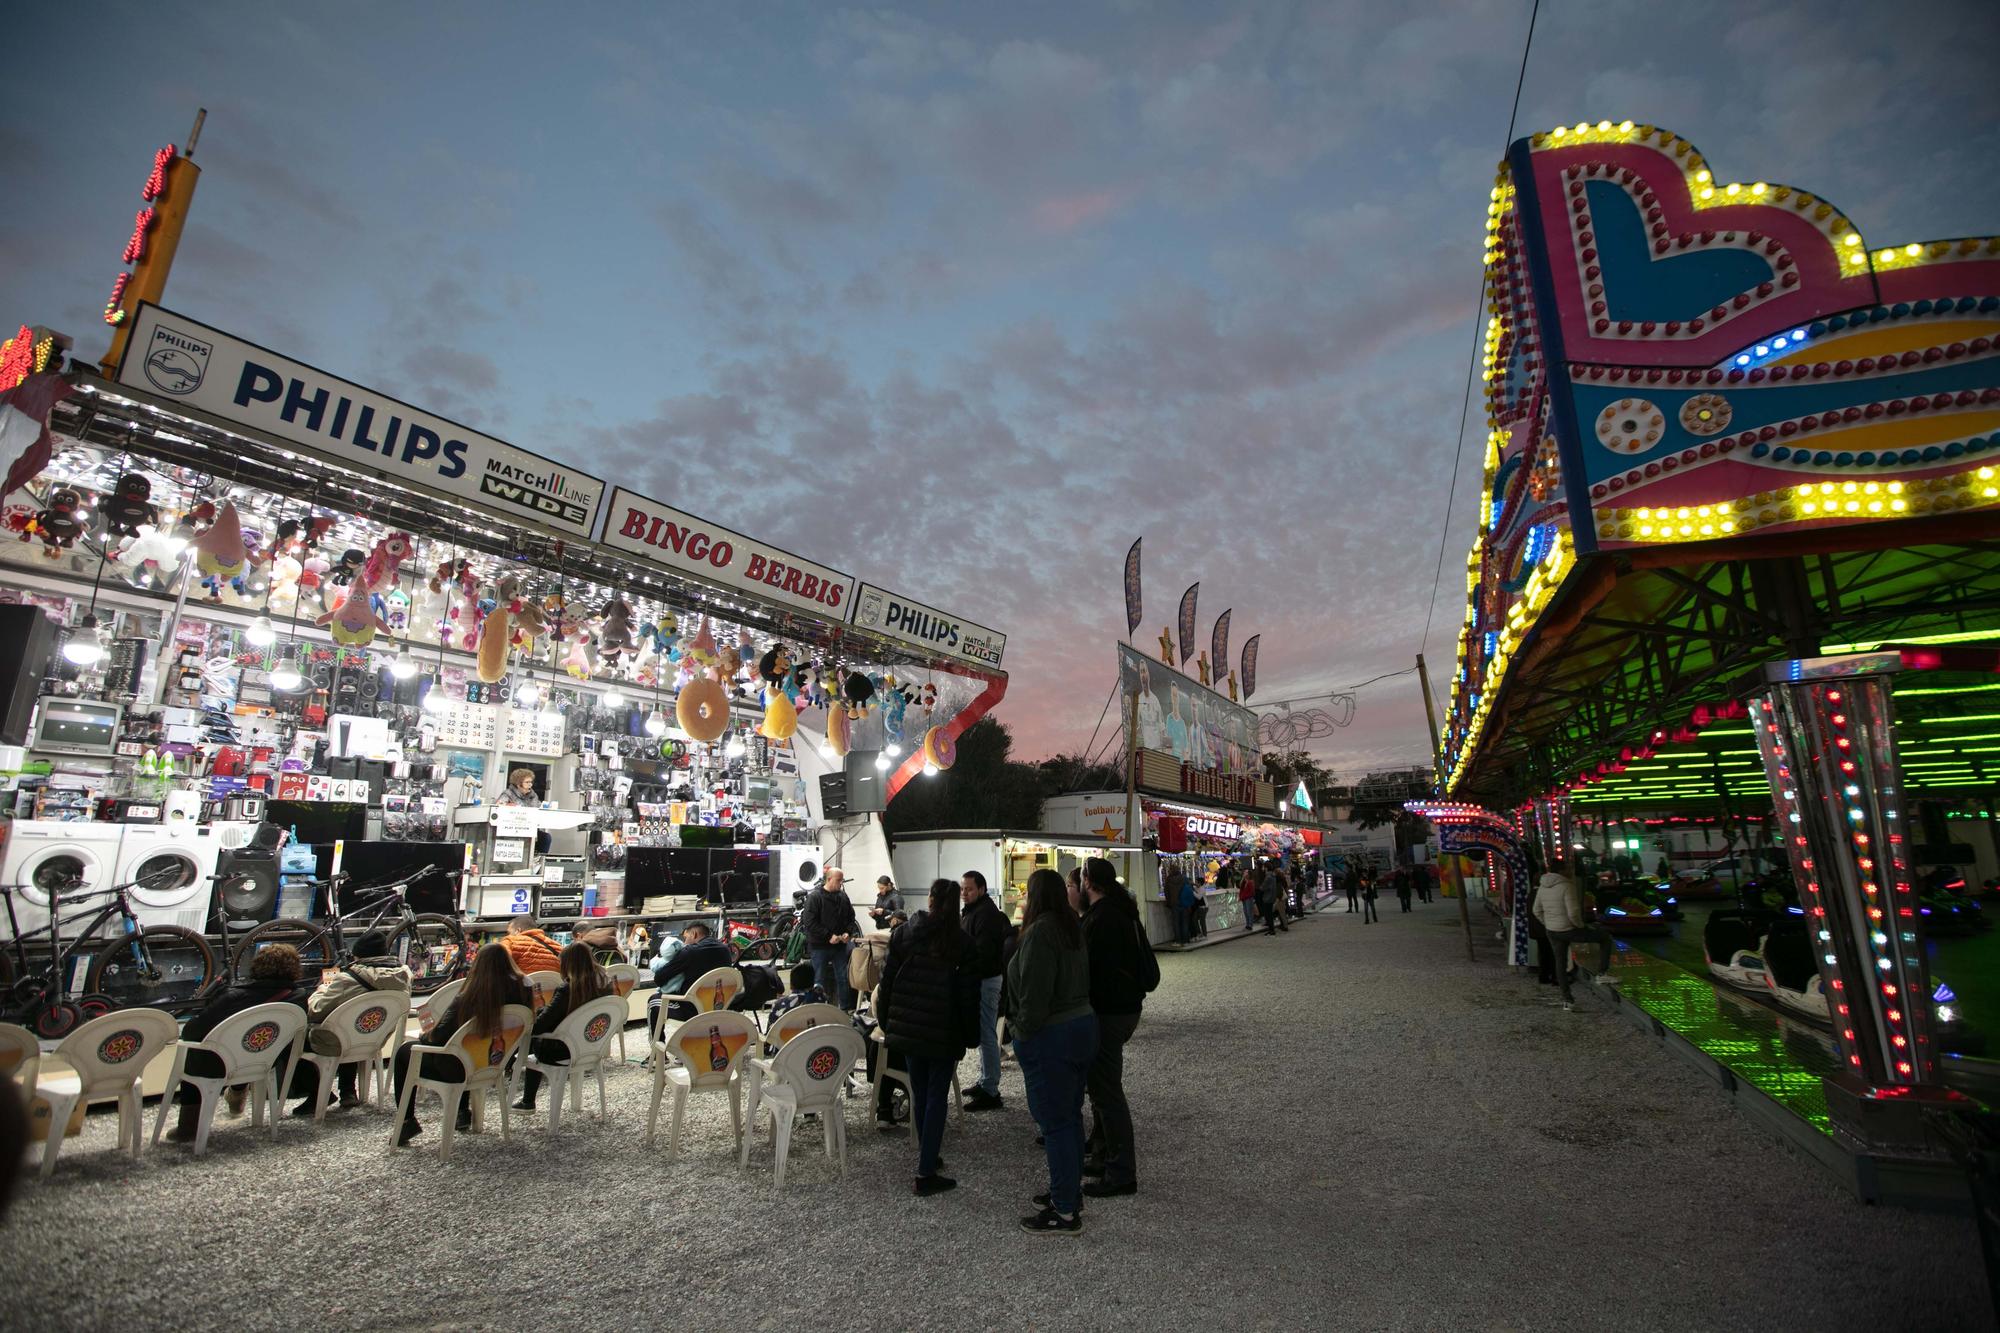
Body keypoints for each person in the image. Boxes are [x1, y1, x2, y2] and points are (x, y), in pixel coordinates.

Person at [1007, 868, 1097, 1235]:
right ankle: (1067, 1192)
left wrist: (1020, 1033)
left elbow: (1035, 994)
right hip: (1081, 1027)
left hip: (1052, 1034)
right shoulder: (1071, 926)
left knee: (1055, 1122)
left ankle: (1064, 1211)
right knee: (1070, 1117)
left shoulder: (1041, 932)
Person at [881, 879, 978, 1196]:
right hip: (942, 1031)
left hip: (908, 1027)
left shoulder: (904, 933)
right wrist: (971, 1035)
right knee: (936, 1097)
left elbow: (887, 983)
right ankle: (925, 1172)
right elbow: (968, 996)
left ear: (930, 900)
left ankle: (929, 1155)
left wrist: (887, 1022)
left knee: (920, 1093)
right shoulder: (961, 943)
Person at [169, 943, 309, 1142]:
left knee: (194, 1053)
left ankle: (188, 1127)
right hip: (264, 1061)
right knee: (245, 1047)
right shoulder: (299, 997)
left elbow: (191, 1032)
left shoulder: (232, 996)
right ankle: (238, 1090)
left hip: (215, 1066)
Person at [395, 943, 532, 1145]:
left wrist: (424, 1036)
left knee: (404, 1052)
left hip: (458, 1069)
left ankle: (407, 1121)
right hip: (494, 1063)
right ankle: (462, 1112)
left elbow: (439, 1038)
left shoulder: (470, 997)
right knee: (465, 1048)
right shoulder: (523, 991)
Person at [1079, 857, 1149, 1199]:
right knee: (1102, 1086)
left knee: (1107, 1091)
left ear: (1089, 882)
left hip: (1108, 1011)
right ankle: (1104, 1155)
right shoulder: (1123, 911)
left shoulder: (1102, 918)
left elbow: (1091, 968)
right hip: (1124, 1008)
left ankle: (1121, 1172)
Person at [291, 930, 411, 1116]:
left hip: (338, 1041)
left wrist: (322, 990)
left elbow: (316, 1011)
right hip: (374, 1038)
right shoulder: (403, 976)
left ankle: (318, 1094)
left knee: (300, 1036)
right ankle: (348, 1090)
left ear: (358, 954)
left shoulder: (347, 979)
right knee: (350, 1026)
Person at [514, 942, 609, 1112]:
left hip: (561, 1050)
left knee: (531, 1039)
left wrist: (539, 1010)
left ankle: (527, 1100)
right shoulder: (604, 985)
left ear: (568, 965)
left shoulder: (567, 989)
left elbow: (540, 1026)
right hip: (592, 1047)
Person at [959, 869, 1014, 1112]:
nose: (964, 893)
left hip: (986, 980)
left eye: (969, 889)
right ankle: (985, 1082)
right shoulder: (974, 911)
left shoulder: (986, 915)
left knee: (987, 1034)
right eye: (963, 889)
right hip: (982, 979)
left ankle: (991, 1090)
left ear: (982, 889)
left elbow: (982, 953)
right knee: (984, 1034)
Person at [1532, 860, 1618, 1010]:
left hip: (1552, 931)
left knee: (1560, 963)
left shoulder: (1542, 886)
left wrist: (1548, 923)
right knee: (1604, 938)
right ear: (1562, 870)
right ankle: (1602, 973)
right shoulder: (1567, 886)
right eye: (1568, 867)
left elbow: (1536, 910)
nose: (1571, 870)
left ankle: (1568, 1000)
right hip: (1569, 929)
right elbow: (1573, 913)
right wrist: (1581, 926)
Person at [645, 922, 736, 1032]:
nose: (684, 942)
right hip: (719, 1009)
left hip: (692, 1011)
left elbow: (659, 978)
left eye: (685, 937)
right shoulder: (725, 950)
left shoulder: (690, 952)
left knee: (653, 1001)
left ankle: (658, 1046)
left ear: (694, 934)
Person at [803, 869, 861, 1009]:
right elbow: (810, 922)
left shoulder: (843, 897)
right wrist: (828, 936)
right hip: (819, 946)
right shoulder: (815, 897)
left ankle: (846, 1010)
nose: (841, 883)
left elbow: (851, 918)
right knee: (819, 980)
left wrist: (848, 932)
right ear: (828, 879)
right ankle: (818, 1010)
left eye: (842, 880)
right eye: (838, 880)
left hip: (839, 946)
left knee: (843, 978)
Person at [498, 915, 563, 976]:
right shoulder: (558, 947)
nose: (508, 935)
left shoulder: (510, 942)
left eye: (509, 932)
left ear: (518, 930)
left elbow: (497, 966)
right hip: (553, 986)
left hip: (522, 986)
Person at [1164, 863, 1191, 945]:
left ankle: (1178, 941)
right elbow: (1189, 890)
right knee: (1184, 922)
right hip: (1184, 903)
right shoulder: (1184, 878)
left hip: (1174, 903)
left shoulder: (1168, 879)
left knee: (1176, 922)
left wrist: (1169, 902)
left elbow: (1166, 892)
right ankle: (1186, 941)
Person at [1237, 867, 1258, 933]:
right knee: (1246, 912)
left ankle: (1250, 925)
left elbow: (1252, 892)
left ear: (1249, 874)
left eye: (1246, 872)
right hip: (1244, 898)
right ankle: (1247, 924)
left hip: (1248, 898)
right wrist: (1243, 878)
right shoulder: (1244, 881)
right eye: (1244, 872)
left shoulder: (1251, 882)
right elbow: (1240, 886)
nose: (1244, 873)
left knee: (1249, 912)